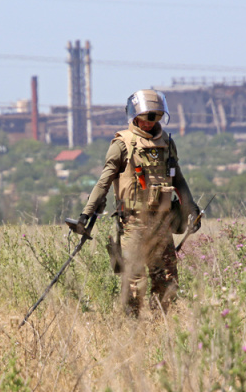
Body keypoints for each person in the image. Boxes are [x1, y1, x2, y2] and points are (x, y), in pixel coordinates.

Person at [79, 89, 200, 316]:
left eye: (155, 117)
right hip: (133, 222)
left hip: (162, 221)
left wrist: (190, 208)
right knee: (135, 280)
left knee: (166, 278)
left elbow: (179, 180)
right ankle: (132, 330)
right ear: (135, 116)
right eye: (146, 118)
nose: (149, 123)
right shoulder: (122, 144)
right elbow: (104, 181)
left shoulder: (167, 143)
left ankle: (161, 326)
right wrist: (87, 213)